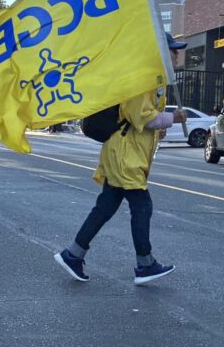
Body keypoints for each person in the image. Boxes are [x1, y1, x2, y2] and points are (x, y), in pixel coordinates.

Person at [54, 32, 188, 285]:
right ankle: (145, 264)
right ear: (158, 50)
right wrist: (172, 118)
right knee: (142, 205)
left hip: (126, 150)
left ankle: (74, 254)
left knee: (106, 205)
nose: (177, 54)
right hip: (126, 153)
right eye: (173, 49)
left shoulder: (152, 77)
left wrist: (161, 123)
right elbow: (144, 117)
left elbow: (144, 117)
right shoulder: (143, 77)